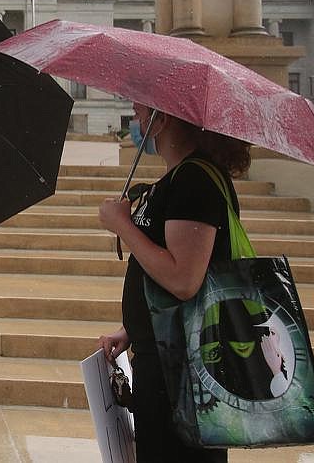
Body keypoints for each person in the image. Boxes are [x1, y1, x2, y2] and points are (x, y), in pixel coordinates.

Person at [97, 102, 252, 463]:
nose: (135, 120)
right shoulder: (180, 176)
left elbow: (184, 279)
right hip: (166, 359)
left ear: (161, 119)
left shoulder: (193, 180)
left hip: (183, 372)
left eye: (138, 112)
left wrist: (123, 226)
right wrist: (132, 329)